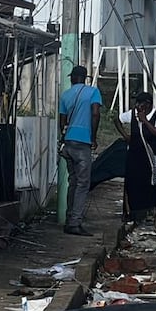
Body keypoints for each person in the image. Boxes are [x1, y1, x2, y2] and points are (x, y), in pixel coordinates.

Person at [58, 65, 102, 236]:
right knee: (83, 184)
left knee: (73, 182)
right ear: (84, 78)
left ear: (73, 78)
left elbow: (62, 121)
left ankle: (70, 218)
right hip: (83, 143)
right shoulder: (93, 92)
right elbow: (96, 113)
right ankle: (74, 223)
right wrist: (93, 137)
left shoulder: (65, 95)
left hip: (68, 142)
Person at [112, 92, 156, 223]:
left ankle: (155, 209)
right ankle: (132, 211)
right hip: (136, 154)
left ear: (147, 105)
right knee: (133, 182)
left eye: (140, 104)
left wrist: (145, 121)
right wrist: (126, 136)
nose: (137, 107)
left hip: (151, 154)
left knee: (154, 183)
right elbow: (117, 120)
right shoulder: (132, 114)